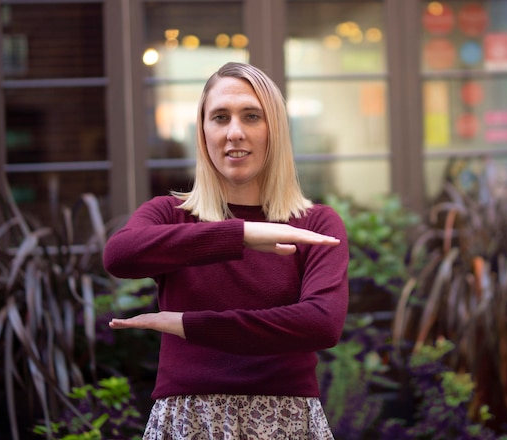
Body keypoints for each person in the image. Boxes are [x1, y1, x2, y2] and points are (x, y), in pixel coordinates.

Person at [102, 61, 349, 439]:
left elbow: (321, 324)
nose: (235, 132)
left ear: (275, 131)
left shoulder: (314, 224)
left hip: (286, 421)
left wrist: (189, 325)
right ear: (203, 132)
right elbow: (120, 255)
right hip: (189, 420)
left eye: (252, 116)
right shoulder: (169, 214)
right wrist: (241, 235)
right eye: (220, 117)